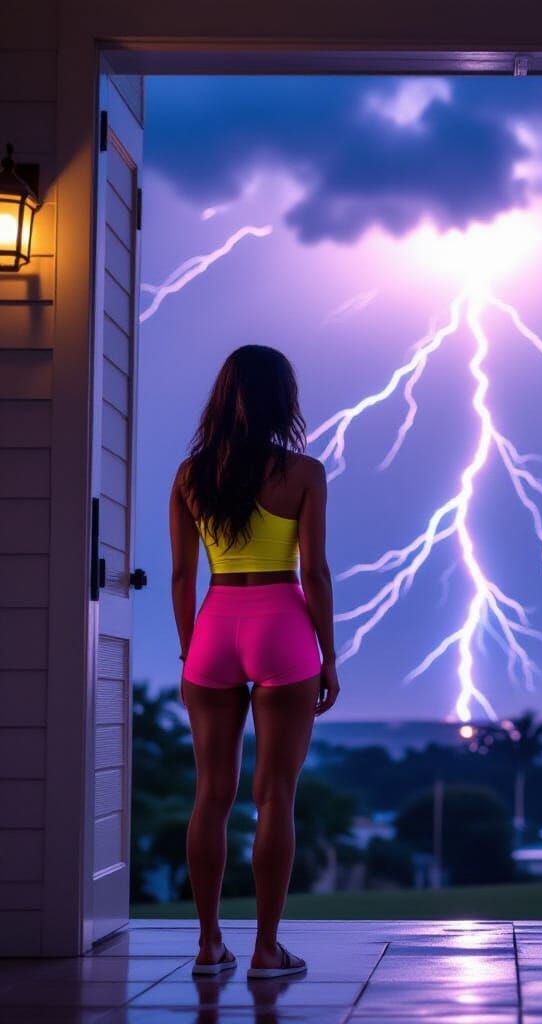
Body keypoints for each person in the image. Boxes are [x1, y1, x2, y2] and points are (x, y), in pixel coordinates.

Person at [169, 344, 341, 979]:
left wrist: (192, 651)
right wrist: (329, 655)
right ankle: (268, 950)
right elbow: (315, 573)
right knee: (276, 797)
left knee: (211, 794)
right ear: (283, 401)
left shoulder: (191, 475)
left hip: (215, 625)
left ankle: (209, 943)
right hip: (282, 627)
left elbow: (182, 576)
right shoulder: (303, 472)